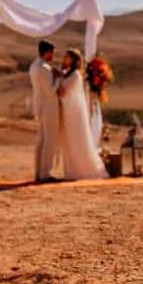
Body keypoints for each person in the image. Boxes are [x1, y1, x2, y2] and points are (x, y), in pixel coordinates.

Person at [56, 49, 108, 180]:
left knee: (77, 141)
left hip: (74, 114)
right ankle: (72, 169)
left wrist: (56, 80)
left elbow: (62, 91)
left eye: (67, 57)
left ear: (73, 60)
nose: (64, 59)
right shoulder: (68, 74)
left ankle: (83, 170)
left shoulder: (75, 75)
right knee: (69, 142)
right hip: (68, 113)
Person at [30, 40, 61, 182]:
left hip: (39, 106)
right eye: (52, 53)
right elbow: (51, 90)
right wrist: (58, 78)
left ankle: (38, 172)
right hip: (49, 107)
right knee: (49, 140)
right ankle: (45, 173)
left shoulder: (34, 65)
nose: (53, 55)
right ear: (47, 52)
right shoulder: (44, 68)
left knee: (41, 141)